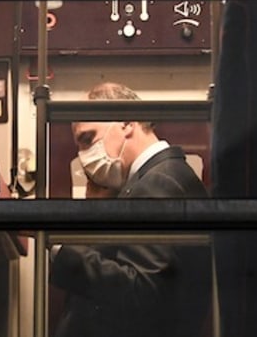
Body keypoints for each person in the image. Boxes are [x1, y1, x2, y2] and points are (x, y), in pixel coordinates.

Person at [48, 82, 212, 337]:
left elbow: (143, 292)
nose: (83, 156)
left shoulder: (158, 183)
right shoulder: (150, 182)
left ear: (126, 122)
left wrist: (60, 250)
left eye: (88, 138)